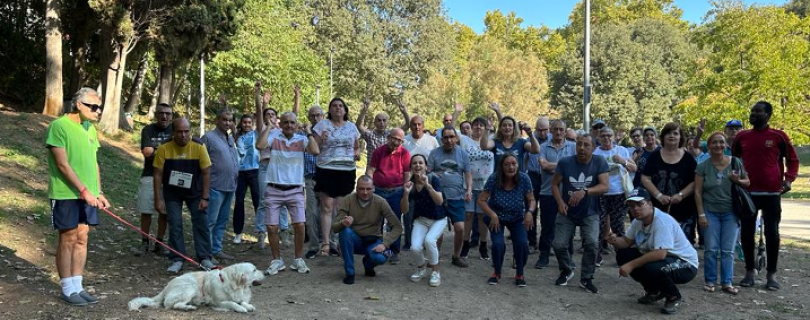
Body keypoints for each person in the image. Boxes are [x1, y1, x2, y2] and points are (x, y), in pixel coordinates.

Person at [47, 87, 110, 305]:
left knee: (82, 237)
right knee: (68, 238)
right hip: (66, 193)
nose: (97, 111)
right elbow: (62, 165)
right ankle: (67, 288)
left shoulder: (90, 129)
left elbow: (94, 163)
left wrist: (98, 192)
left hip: (89, 195)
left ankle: (77, 285)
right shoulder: (59, 126)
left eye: (99, 107)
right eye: (93, 107)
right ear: (79, 105)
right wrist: (83, 190)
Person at [732, 101, 799, 291]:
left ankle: (771, 274)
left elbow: (792, 159)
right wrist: (737, 180)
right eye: (752, 110)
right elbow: (735, 161)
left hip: (771, 193)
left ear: (768, 115)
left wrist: (788, 180)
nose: (753, 113)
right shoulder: (742, 137)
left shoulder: (778, 136)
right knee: (746, 232)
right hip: (748, 193)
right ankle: (750, 271)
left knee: (772, 233)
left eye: (758, 111)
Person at [607, 188, 699, 315]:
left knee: (653, 266)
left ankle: (673, 297)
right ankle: (653, 291)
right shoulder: (637, 222)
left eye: (640, 204)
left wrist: (631, 265)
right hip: (664, 260)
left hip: (686, 264)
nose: (636, 209)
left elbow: (660, 254)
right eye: (632, 206)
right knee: (624, 255)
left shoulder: (662, 221)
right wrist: (614, 240)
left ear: (650, 204)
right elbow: (626, 242)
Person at [258, 112, 320, 275]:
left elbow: (315, 151)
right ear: (281, 123)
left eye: (292, 122)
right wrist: (270, 126)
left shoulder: (302, 139)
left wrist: (308, 132)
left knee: (299, 225)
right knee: (272, 227)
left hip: (295, 189)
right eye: (285, 122)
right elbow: (260, 145)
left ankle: (298, 259)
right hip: (274, 188)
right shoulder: (274, 136)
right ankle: (276, 261)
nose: (289, 125)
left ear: (296, 124)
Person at [153, 118, 214, 274]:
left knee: (201, 223)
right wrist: (158, 199)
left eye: (186, 131)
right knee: (175, 224)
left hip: (195, 192)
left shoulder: (199, 146)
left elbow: (207, 173)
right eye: (179, 131)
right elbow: (158, 175)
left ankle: (205, 257)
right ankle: (177, 258)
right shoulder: (164, 148)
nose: (183, 135)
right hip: (172, 193)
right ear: (173, 132)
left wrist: (205, 197)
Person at [550, 133, 609, 293]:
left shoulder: (599, 162)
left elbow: (605, 186)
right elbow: (554, 185)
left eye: (586, 145)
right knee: (559, 244)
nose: (582, 148)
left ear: (594, 148)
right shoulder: (565, 162)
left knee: (591, 243)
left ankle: (587, 278)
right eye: (579, 144)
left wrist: (585, 191)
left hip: (590, 211)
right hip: (567, 210)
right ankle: (567, 269)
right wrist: (560, 202)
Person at [695, 132, 749, 295]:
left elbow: (747, 182)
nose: (718, 145)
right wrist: (701, 214)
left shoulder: (735, 162)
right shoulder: (703, 166)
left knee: (728, 250)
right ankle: (710, 281)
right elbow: (697, 191)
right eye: (714, 143)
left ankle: (727, 282)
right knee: (711, 249)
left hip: (731, 212)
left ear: (726, 145)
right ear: (708, 146)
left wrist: (737, 180)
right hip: (710, 211)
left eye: (721, 142)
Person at [313, 97, 362, 256]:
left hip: (346, 170)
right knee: (327, 206)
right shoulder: (322, 125)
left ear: (345, 110)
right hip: (326, 168)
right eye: (334, 106)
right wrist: (322, 139)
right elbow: (314, 147)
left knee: (341, 208)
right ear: (330, 109)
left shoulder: (352, 127)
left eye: (341, 106)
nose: (337, 108)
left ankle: (340, 242)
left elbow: (356, 148)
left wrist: (357, 153)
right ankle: (326, 243)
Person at [333, 176, 403, 285]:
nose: (365, 192)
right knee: (345, 231)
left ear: (374, 188)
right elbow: (334, 227)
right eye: (361, 189)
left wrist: (385, 244)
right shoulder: (348, 200)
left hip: (372, 240)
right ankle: (350, 273)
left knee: (380, 258)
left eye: (368, 189)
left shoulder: (381, 202)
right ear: (356, 188)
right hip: (354, 240)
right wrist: (343, 223)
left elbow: (397, 227)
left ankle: (368, 264)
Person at [478, 154, 535, 286]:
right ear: (501, 166)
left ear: (518, 165)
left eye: (514, 163)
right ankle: (496, 273)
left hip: (516, 217)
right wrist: (492, 215)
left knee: (522, 243)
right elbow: (481, 200)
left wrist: (530, 212)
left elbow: (531, 199)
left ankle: (520, 273)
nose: (511, 167)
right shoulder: (494, 178)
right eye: (507, 164)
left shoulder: (524, 178)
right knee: (498, 244)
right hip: (496, 217)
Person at [641, 123, 698, 244]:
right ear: (662, 137)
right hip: (658, 210)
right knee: (660, 244)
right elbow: (645, 178)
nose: (671, 136)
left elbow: (695, 182)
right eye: (668, 133)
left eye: (675, 133)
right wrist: (659, 196)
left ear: (680, 137)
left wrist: (681, 195)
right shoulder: (654, 156)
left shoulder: (688, 158)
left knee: (683, 244)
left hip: (685, 211)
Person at [533, 119, 576, 269]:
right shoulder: (543, 147)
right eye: (555, 129)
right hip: (547, 192)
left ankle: (567, 258)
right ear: (550, 130)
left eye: (561, 129)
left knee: (568, 227)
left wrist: (556, 167)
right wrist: (565, 166)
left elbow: (576, 167)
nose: (558, 132)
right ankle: (543, 257)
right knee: (547, 227)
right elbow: (544, 166)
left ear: (565, 131)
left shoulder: (573, 147)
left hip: (568, 193)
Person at [428, 127, 473, 268]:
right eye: (446, 137)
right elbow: (428, 173)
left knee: (460, 228)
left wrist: (469, 189)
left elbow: (468, 173)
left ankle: (456, 256)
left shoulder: (463, 153)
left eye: (451, 137)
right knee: (438, 230)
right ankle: (435, 257)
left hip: (457, 197)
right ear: (442, 139)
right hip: (438, 197)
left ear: (456, 138)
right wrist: (434, 176)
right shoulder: (434, 153)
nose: (449, 140)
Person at [593, 126, 637, 266]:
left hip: (619, 193)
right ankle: (597, 255)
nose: (606, 138)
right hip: (601, 193)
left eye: (609, 135)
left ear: (613, 137)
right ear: (599, 137)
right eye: (603, 135)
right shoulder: (595, 153)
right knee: (599, 225)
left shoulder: (622, 150)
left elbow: (634, 168)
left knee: (618, 226)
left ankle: (621, 255)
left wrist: (623, 161)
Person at [367, 128, 411, 263]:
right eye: (393, 138)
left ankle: (394, 251)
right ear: (388, 137)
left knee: (395, 221)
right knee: (376, 220)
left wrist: (405, 189)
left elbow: (407, 173)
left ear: (402, 141)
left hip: (396, 191)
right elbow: (371, 169)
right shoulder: (379, 151)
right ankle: (376, 248)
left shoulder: (405, 153)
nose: (395, 142)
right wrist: (369, 184)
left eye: (399, 140)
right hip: (379, 191)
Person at [201, 109, 240, 261]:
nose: (227, 123)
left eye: (230, 120)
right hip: (214, 186)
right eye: (224, 119)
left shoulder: (230, 139)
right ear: (217, 120)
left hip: (230, 186)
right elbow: (201, 161)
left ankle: (216, 249)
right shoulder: (208, 138)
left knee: (222, 221)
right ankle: (206, 253)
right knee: (210, 221)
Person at [401, 154, 445, 287]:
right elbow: (404, 210)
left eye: (421, 163)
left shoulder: (434, 179)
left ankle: (436, 271)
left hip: (438, 219)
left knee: (430, 240)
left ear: (426, 166)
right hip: (421, 220)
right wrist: (406, 193)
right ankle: (421, 268)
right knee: (414, 247)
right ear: (411, 167)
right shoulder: (410, 184)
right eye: (414, 163)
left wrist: (427, 186)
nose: (418, 165)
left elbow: (439, 201)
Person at [135, 102, 173, 256]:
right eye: (161, 113)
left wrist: (156, 149)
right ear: (156, 115)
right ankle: (145, 241)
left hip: (170, 177)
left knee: (165, 212)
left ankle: (159, 242)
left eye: (168, 113)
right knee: (146, 210)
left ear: (171, 116)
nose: (164, 116)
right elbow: (147, 152)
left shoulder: (175, 129)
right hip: (149, 174)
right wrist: (166, 147)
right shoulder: (148, 130)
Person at [461, 117, 494, 261]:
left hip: (485, 186)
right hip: (468, 185)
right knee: (468, 216)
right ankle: (465, 245)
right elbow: (448, 129)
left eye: (482, 125)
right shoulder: (465, 141)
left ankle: (483, 246)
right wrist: (457, 112)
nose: (478, 127)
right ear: (472, 127)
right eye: (476, 125)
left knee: (482, 217)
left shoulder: (492, 141)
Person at [479, 105, 541, 172]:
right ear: (500, 128)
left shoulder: (521, 142)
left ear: (514, 128)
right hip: (499, 180)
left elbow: (536, 150)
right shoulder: (496, 142)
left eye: (510, 125)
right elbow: (484, 146)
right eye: (504, 125)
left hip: (518, 180)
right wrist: (487, 127)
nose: (507, 128)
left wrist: (531, 135)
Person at [232, 114, 260, 244]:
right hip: (241, 172)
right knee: (239, 202)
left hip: (254, 171)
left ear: (252, 124)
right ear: (241, 123)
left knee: (257, 202)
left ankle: (261, 231)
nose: (247, 124)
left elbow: (260, 117)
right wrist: (225, 105)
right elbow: (230, 121)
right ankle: (238, 233)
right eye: (244, 122)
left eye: (249, 122)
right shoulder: (237, 136)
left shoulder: (256, 134)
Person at [355, 97, 410, 161]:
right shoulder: (369, 134)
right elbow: (358, 125)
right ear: (375, 122)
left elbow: (407, 125)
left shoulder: (392, 134)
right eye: (379, 120)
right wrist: (364, 110)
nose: (381, 123)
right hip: (372, 169)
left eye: (384, 120)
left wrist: (404, 112)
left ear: (387, 123)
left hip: (386, 169)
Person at [524, 116, 550, 252]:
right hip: (533, 176)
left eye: (545, 130)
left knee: (547, 211)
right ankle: (531, 241)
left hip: (548, 177)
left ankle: (546, 243)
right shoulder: (530, 140)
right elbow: (524, 160)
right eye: (539, 130)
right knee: (531, 209)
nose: (542, 133)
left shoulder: (553, 140)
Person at [303, 105, 325, 258]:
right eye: (313, 116)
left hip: (327, 178)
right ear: (309, 118)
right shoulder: (302, 135)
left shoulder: (329, 133)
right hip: (310, 178)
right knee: (311, 214)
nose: (316, 118)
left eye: (318, 115)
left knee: (329, 212)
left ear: (323, 117)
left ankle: (329, 244)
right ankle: (313, 245)